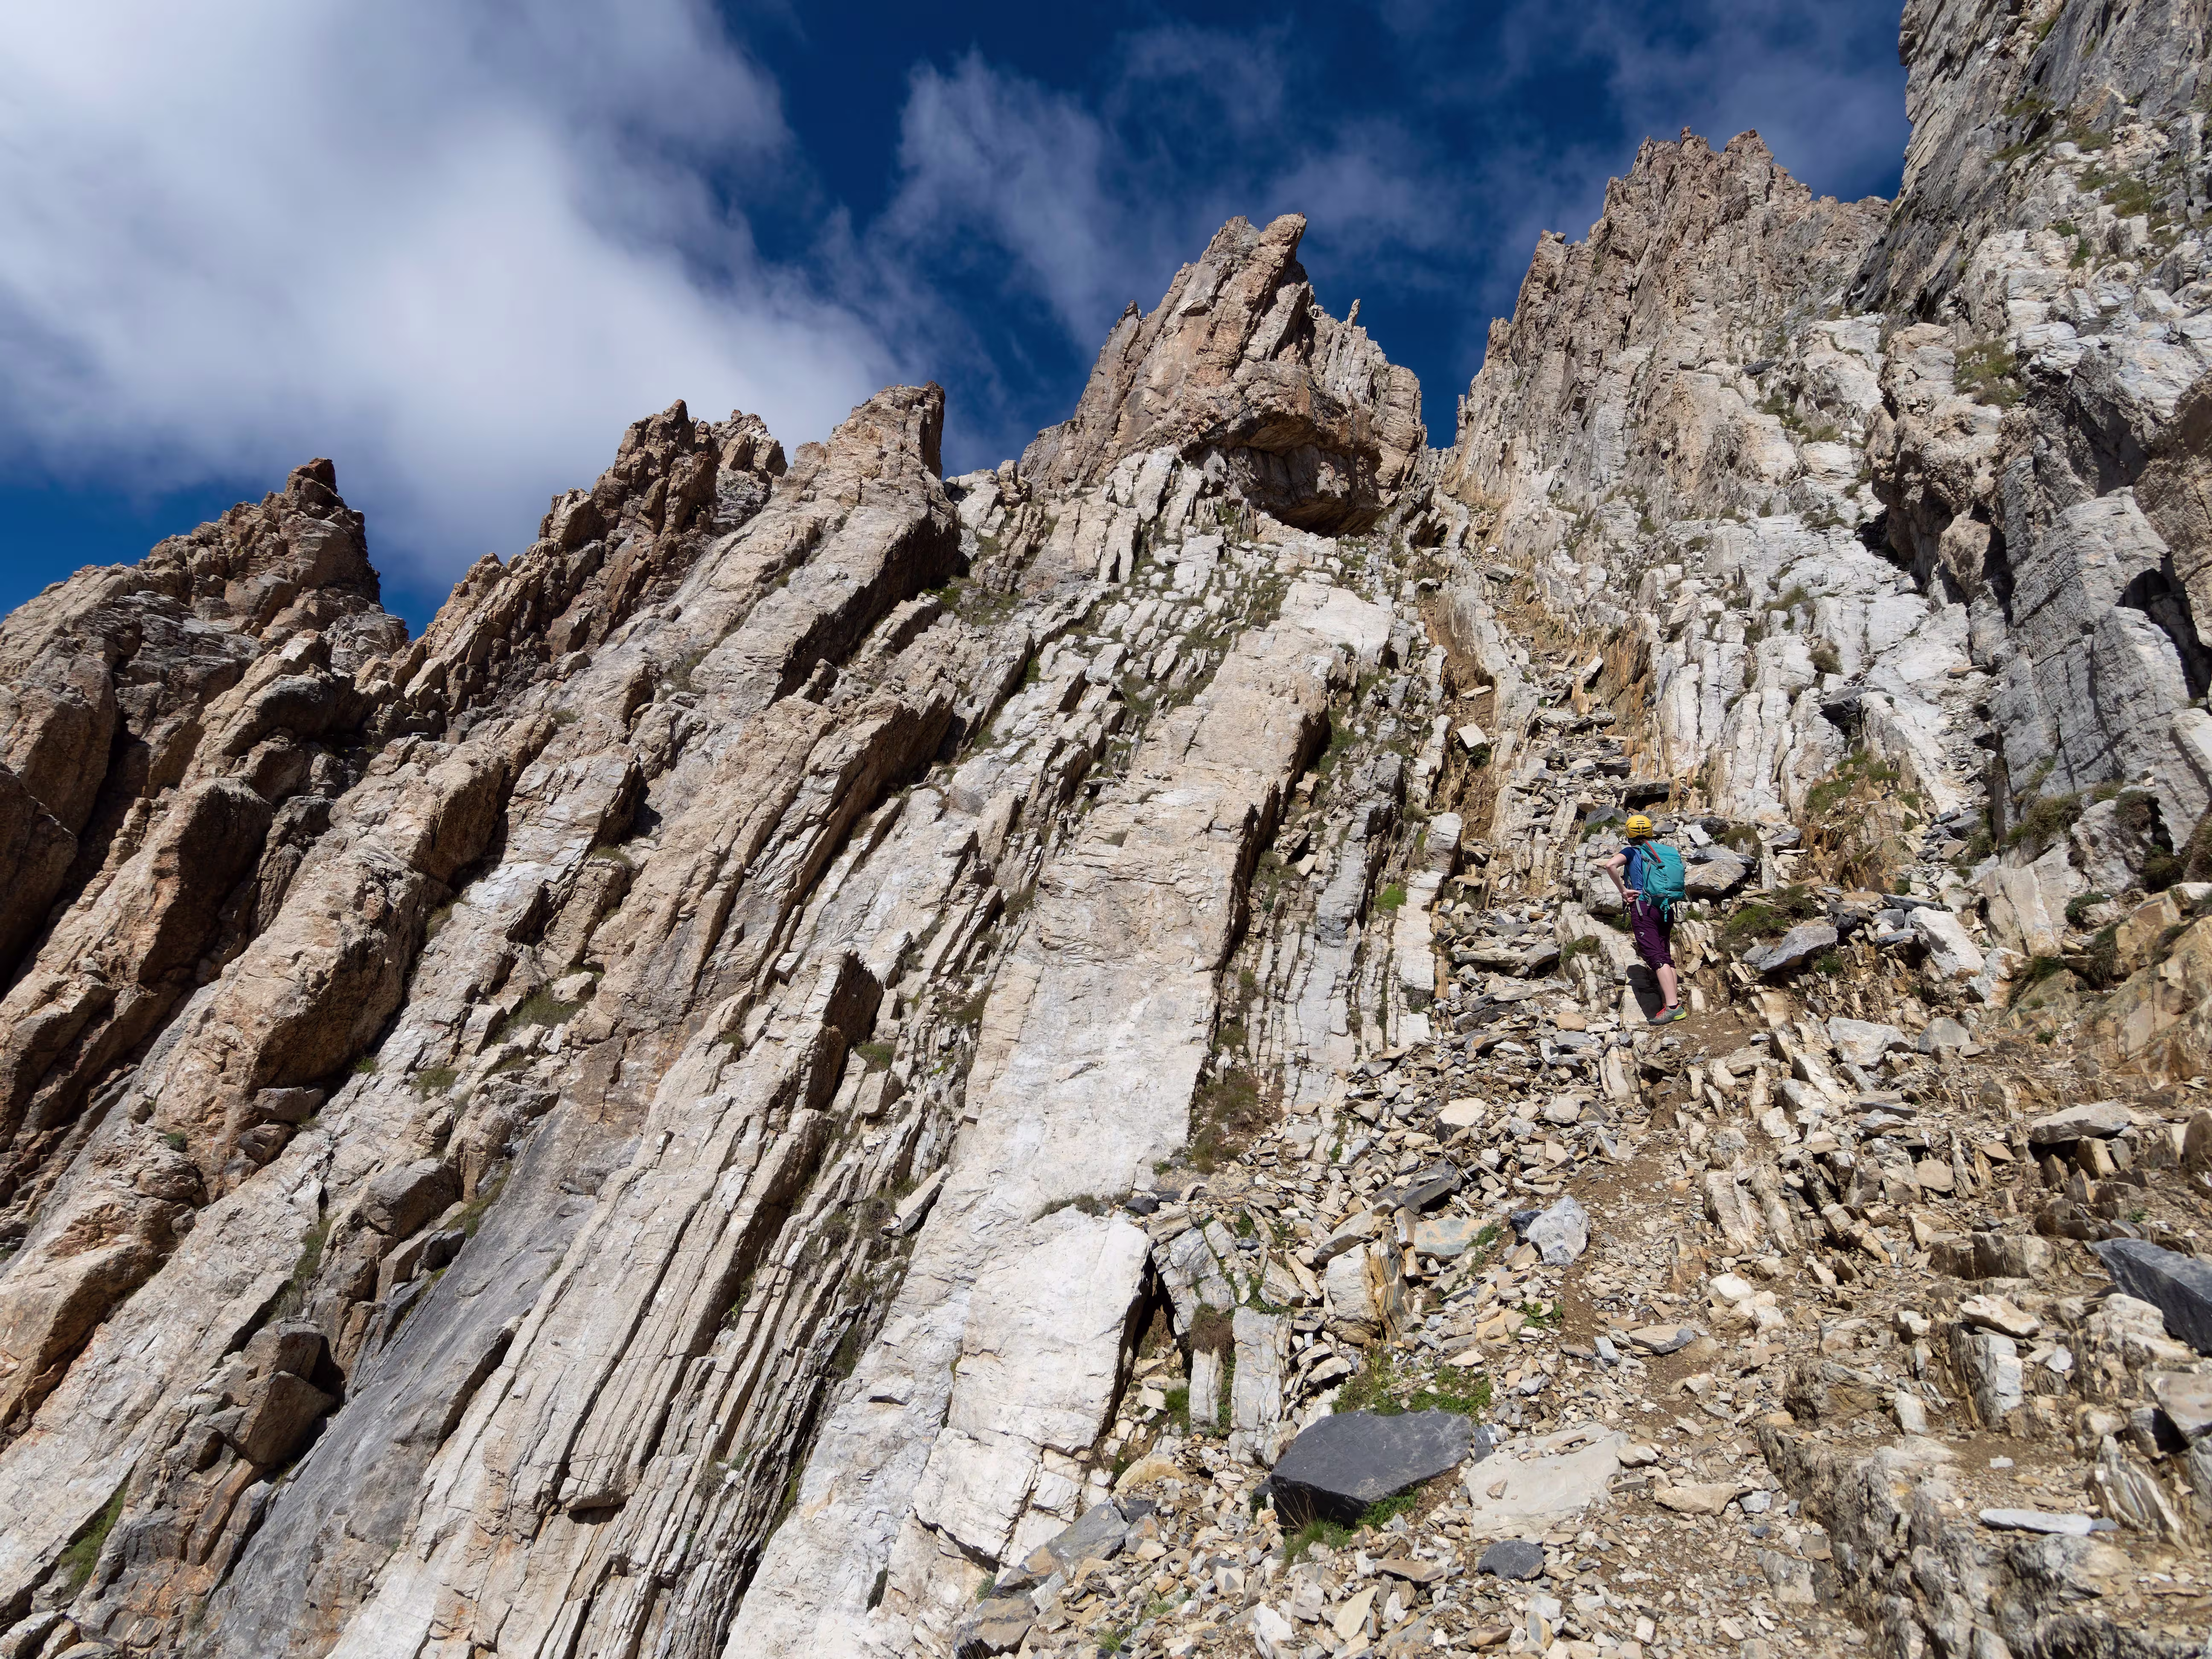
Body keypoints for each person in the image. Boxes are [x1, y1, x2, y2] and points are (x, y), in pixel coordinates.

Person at [1599, 814, 1684, 1024]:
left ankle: (1672, 1007)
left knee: (1656, 956)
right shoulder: (1663, 852)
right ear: (1650, 832)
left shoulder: (1632, 851)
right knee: (1664, 954)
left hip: (1643, 907)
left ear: (1629, 834)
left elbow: (1611, 865)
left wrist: (1624, 891)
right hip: (1666, 908)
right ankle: (1672, 1003)